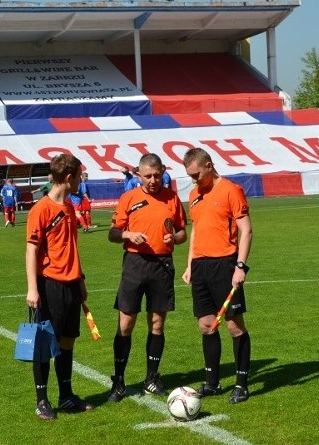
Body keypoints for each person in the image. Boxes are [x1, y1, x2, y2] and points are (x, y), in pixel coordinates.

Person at [107, 153, 187, 401]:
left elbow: (183, 231)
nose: (153, 180)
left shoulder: (172, 198)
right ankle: (118, 381)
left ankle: (152, 378)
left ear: (163, 171)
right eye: (148, 176)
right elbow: (112, 233)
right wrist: (128, 235)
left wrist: (173, 238)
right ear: (139, 175)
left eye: (157, 175)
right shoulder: (128, 198)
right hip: (135, 264)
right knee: (125, 324)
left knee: (157, 324)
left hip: (162, 266)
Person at [181, 147, 253, 404]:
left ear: (209, 166)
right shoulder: (194, 194)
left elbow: (246, 230)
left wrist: (240, 266)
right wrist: (190, 265)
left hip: (225, 265)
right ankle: (212, 383)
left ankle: (241, 384)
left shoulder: (231, 190)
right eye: (190, 175)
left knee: (234, 326)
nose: (194, 180)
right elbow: (196, 232)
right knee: (206, 325)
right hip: (200, 266)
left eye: (197, 174)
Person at [26, 153, 95, 420]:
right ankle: (42, 401)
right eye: (78, 176)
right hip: (49, 285)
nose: (80, 180)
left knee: (67, 341)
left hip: (71, 285)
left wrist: (80, 279)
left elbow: (71, 247)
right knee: (44, 343)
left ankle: (65, 396)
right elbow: (31, 251)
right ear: (69, 178)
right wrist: (33, 288)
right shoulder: (40, 210)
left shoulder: (68, 207)